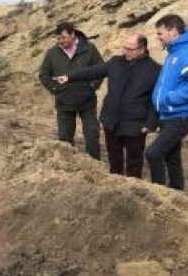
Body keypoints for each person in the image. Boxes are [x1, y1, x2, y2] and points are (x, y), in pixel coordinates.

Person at [55, 33, 161, 177]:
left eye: (130, 49)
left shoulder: (154, 70)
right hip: (111, 121)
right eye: (125, 48)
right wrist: (69, 77)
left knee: (134, 162)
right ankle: (115, 186)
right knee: (114, 159)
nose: (126, 52)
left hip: (135, 124)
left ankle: (133, 192)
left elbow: (156, 99)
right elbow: (94, 71)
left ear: (142, 49)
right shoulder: (116, 62)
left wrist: (150, 123)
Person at [145, 14, 188, 190]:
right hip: (171, 114)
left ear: (173, 31)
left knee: (153, 153)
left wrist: (170, 98)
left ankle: (158, 194)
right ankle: (176, 191)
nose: (157, 37)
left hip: (182, 114)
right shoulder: (175, 51)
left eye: (160, 33)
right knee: (171, 155)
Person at [39, 22, 104, 159]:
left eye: (63, 38)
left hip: (87, 100)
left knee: (92, 135)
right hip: (64, 101)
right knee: (64, 139)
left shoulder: (89, 49)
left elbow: (101, 69)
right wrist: (55, 89)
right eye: (57, 38)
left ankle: (95, 166)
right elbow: (43, 74)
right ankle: (68, 168)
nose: (60, 41)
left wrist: (93, 86)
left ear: (73, 34)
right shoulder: (52, 53)